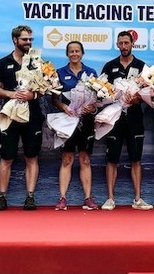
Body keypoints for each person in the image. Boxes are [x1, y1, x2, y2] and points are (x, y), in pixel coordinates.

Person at [0, 25, 44, 211]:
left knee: (32, 157)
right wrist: (11, 94)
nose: (28, 43)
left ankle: (30, 197)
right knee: (6, 158)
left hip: (33, 116)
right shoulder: (2, 62)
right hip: (10, 116)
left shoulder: (37, 62)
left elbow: (44, 89)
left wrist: (33, 95)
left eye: (30, 39)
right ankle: (2, 197)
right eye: (24, 40)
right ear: (15, 40)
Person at [101, 31, 152, 210]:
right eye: (121, 43)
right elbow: (101, 90)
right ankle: (110, 199)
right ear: (117, 44)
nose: (124, 46)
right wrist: (110, 95)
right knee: (112, 159)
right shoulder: (109, 66)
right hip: (114, 118)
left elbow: (150, 91)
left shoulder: (142, 66)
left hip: (135, 117)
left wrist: (138, 98)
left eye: (126, 43)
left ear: (132, 44)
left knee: (136, 159)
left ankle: (137, 199)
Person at [51, 41, 99, 211]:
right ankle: (62, 198)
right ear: (67, 54)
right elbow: (54, 98)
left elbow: (98, 98)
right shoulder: (60, 73)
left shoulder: (91, 73)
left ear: (82, 53)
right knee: (67, 159)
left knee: (85, 159)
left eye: (77, 51)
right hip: (67, 121)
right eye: (71, 51)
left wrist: (91, 106)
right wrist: (64, 107)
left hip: (86, 121)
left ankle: (87, 198)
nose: (74, 54)